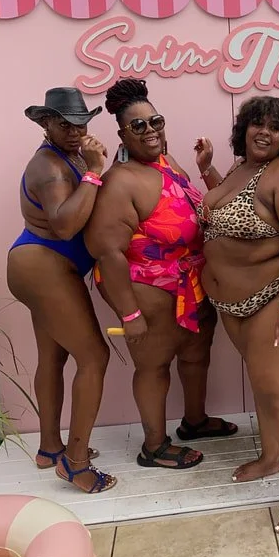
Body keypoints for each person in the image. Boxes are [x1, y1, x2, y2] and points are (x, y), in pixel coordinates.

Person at [84, 78, 237, 472]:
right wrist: (130, 314)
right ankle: (153, 446)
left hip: (189, 281)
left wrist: (206, 170)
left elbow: (205, 209)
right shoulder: (120, 180)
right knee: (153, 365)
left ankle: (195, 421)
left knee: (196, 353)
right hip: (147, 287)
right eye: (139, 125)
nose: (150, 130)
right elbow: (107, 252)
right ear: (122, 134)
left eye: (156, 121)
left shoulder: (167, 163)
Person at [196, 96, 279, 535]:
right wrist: (207, 170)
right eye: (257, 123)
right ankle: (273, 456)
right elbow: (231, 212)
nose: (264, 132)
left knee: (277, 394)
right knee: (262, 383)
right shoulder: (240, 170)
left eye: (274, 127)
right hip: (236, 302)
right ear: (244, 128)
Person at [7, 88, 116, 494]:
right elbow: (65, 225)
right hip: (44, 265)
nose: (75, 131)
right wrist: (94, 170)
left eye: (81, 123)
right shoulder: (50, 168)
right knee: (94, 356)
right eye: (65, 124)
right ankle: (76, 463)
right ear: (44, 124)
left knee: (53, 356)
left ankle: (50, 447)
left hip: (40, 265)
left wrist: (90, 164)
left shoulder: (66, 155)